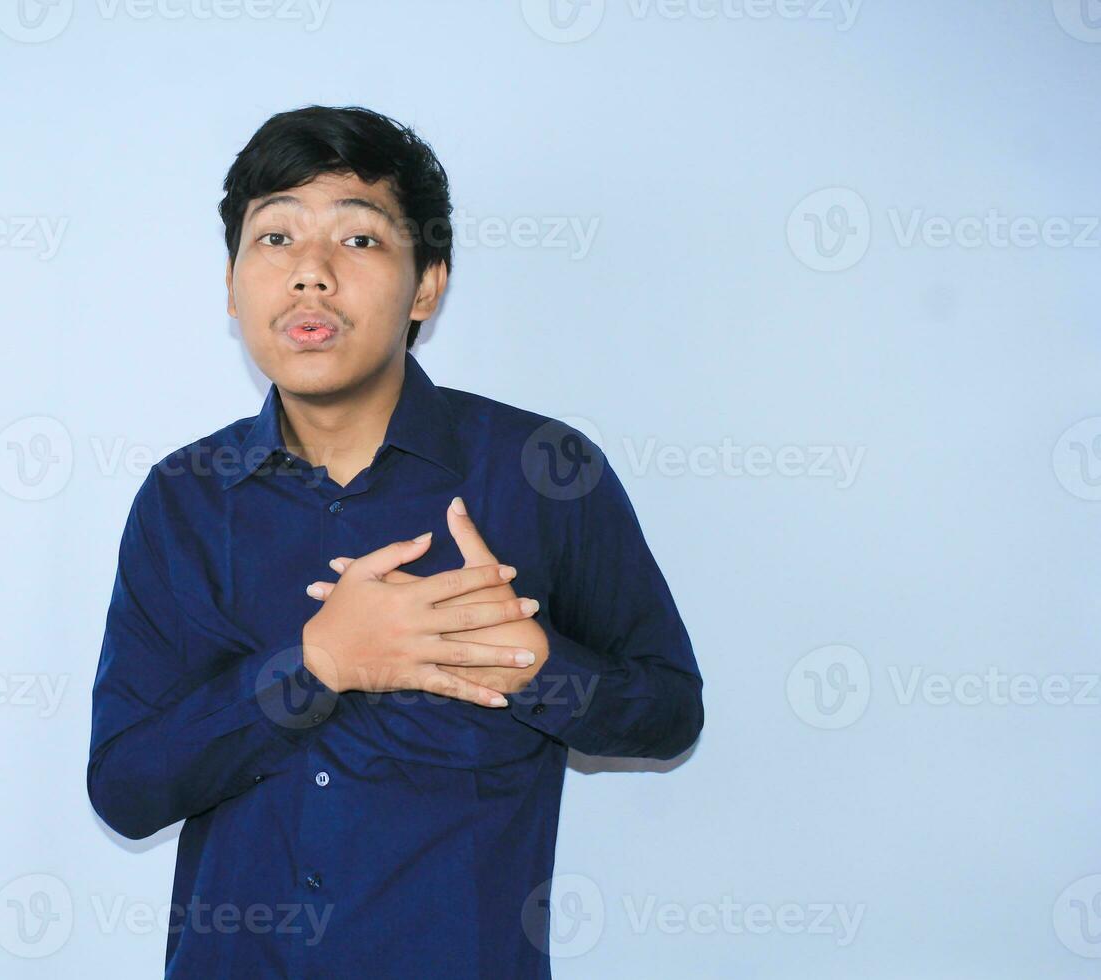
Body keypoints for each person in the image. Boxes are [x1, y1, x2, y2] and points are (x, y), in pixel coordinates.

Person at [87, 104, 703, 978]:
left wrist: (536, 668)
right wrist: (316, 665)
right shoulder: (181, 501)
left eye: (359, 241)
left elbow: (672, 714)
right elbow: (125, 788)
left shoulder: (540, 472)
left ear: (428, 284)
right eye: (274, 239)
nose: (310, 275)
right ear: (232, 287)